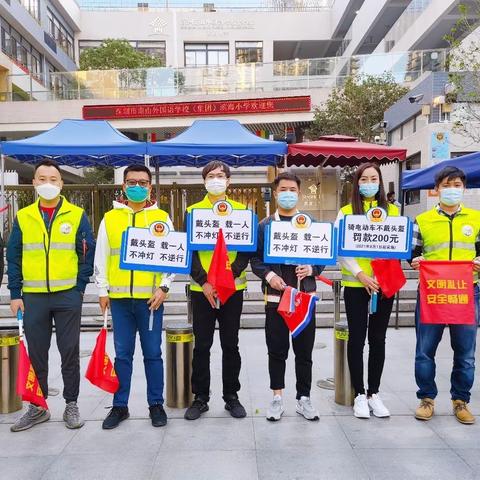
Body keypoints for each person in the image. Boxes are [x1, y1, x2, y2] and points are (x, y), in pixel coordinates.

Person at [7, 160, 95, 432]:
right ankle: (38, 406)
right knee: (37, 354)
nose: (48, 184)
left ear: (61, 183)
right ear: (33, 183)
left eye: (53, 179)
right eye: (42, 179)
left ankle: (71, 404)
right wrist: (15, 293)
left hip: (67, 295)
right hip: (33, 296)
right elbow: (14, 257)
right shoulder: (23, 216)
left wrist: (79, 288)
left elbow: (86, 253)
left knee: (69, 352)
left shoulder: (77, 214)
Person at [95, 165, 173, 430]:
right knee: (122, 355)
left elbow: (172, 256)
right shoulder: (110, 219)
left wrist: (164, 287)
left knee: (153, 353)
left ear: (150, 187)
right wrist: (102, 290)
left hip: (150, 301)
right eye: (131, 182)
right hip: (119, 300)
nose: (137, 186)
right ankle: (120, 405)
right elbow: (102, 256)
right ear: (124, 186)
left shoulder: (161, 217)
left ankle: (156, 404)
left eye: (142, 182)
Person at [411, 166, 480, 424]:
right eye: (447, 185)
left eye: (457, 185)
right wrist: (416, 261)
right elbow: (412, 252)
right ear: (436, 189)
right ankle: (426, 398)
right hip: (432, 294)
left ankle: (460, 400)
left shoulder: (477, 218)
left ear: (464, 188)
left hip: (465, 293)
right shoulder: (423, 220)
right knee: (424, 351)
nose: (452, 190)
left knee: (466, 353)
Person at [251, 172, 322, 421]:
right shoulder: (264, 226)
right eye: (283, 189)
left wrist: (312, 268)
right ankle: (277, 397)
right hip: (276, 300)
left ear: (299, 193)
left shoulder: (311, 223)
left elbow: (322, 255)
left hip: (304, 298)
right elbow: (256, 260)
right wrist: (270, 276)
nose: (288, 194)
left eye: (293, 189)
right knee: (277, 351)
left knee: (304, 353)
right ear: (276, 192)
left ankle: (304, 398)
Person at [184, 161, 250, 421]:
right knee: (202, 345)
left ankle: (231, 396)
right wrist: (205, 282)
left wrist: (227, 279)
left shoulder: (242, 211)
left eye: (221, 176)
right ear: (204, 181)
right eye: (211, 176)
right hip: (202, 290)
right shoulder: (193, 211)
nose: (216, 180)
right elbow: (187, 251)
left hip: (232, 289)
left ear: (229, 181)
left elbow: (246, 251)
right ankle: (200, 397)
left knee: (230, 345)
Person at [335, 162, 398, 419]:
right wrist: (360, 274)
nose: (369, 183)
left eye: (374, 178)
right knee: (357, 339)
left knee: (378, 340)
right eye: (364, 179)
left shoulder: (393, 211)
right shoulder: (347, 212)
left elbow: (398, 244)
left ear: (380, 182)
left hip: (384, 285)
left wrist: (381, 276)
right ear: (357, 183)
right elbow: (340, 249)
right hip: (355, 285)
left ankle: (374, 393)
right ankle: (359, 393)